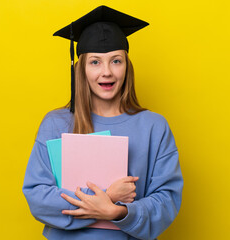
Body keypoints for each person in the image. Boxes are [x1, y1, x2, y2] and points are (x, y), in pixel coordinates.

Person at [22, 5, 183, 240]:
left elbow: (167, 200)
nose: (106, 72)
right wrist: (107, 196)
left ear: (127, 66)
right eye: (95, 62)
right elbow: (37, 197)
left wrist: (118, 212)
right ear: (81, 69)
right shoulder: (55, 124)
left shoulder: (154, 127)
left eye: (116, 61)